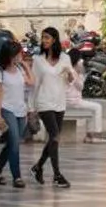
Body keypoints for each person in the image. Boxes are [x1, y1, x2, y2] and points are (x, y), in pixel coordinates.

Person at [29, 27, 74, 187]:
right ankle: (57, 174)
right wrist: (31, 107)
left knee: (53, 139)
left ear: (54, 39)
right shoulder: (38, 60)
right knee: (54, 135)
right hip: (44, 102)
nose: (44, 41)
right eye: (43, 38)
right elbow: (35, 85)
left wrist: (69, 74)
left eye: (47, 38)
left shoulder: (65, 58)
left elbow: (71, 80)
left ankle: (38, 166)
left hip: (59, 102)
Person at [0, 38, 29, 188]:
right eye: (18, 54)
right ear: (10, 55)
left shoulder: (20, 69)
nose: (21, 56)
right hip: (7, 109)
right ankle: (17, 177)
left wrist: (26, 66)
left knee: (12, 142)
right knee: (15, 142)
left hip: (21, 110)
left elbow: (31, 82)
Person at [64, 50, 105, 142]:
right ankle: (95, 135)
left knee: (92, 110)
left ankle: (90, 135)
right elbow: (80, 87)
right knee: (97, 107)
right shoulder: (73, 72)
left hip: (70, 101)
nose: (81, 62)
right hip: (72, 102)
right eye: (80, 59)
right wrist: (80, 73)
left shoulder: (69, 70)